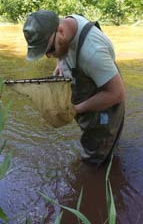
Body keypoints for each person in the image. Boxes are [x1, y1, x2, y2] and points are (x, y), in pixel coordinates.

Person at [23, 10, 125, 165]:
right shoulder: (68, 23)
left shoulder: (93, 53)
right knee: (98, 145)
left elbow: (116, 93)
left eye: (49, 50)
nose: (49, 56)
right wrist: (61, 62)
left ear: (61, 30)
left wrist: (75, 109)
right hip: (90, 91)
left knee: (95, 159)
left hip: (106, 105)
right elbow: (61, 46)